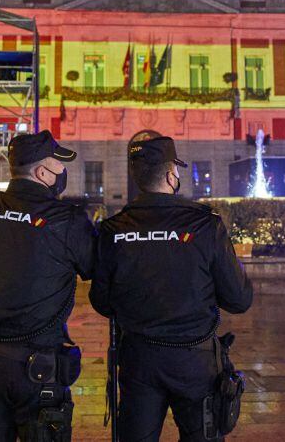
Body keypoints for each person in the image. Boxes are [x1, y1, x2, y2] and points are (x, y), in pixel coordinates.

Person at [90, 136, 254, 441]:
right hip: (195, 361)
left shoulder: (114, 229)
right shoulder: (205, 225)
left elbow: (101, 300)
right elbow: (239, 299)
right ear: (170, 175)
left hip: (139, 359)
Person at [0, 130, 96, 440]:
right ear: (41, 172)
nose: (63, 172)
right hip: (37, 367)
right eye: (58, 164)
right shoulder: (66, 219)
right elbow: (94, 269)